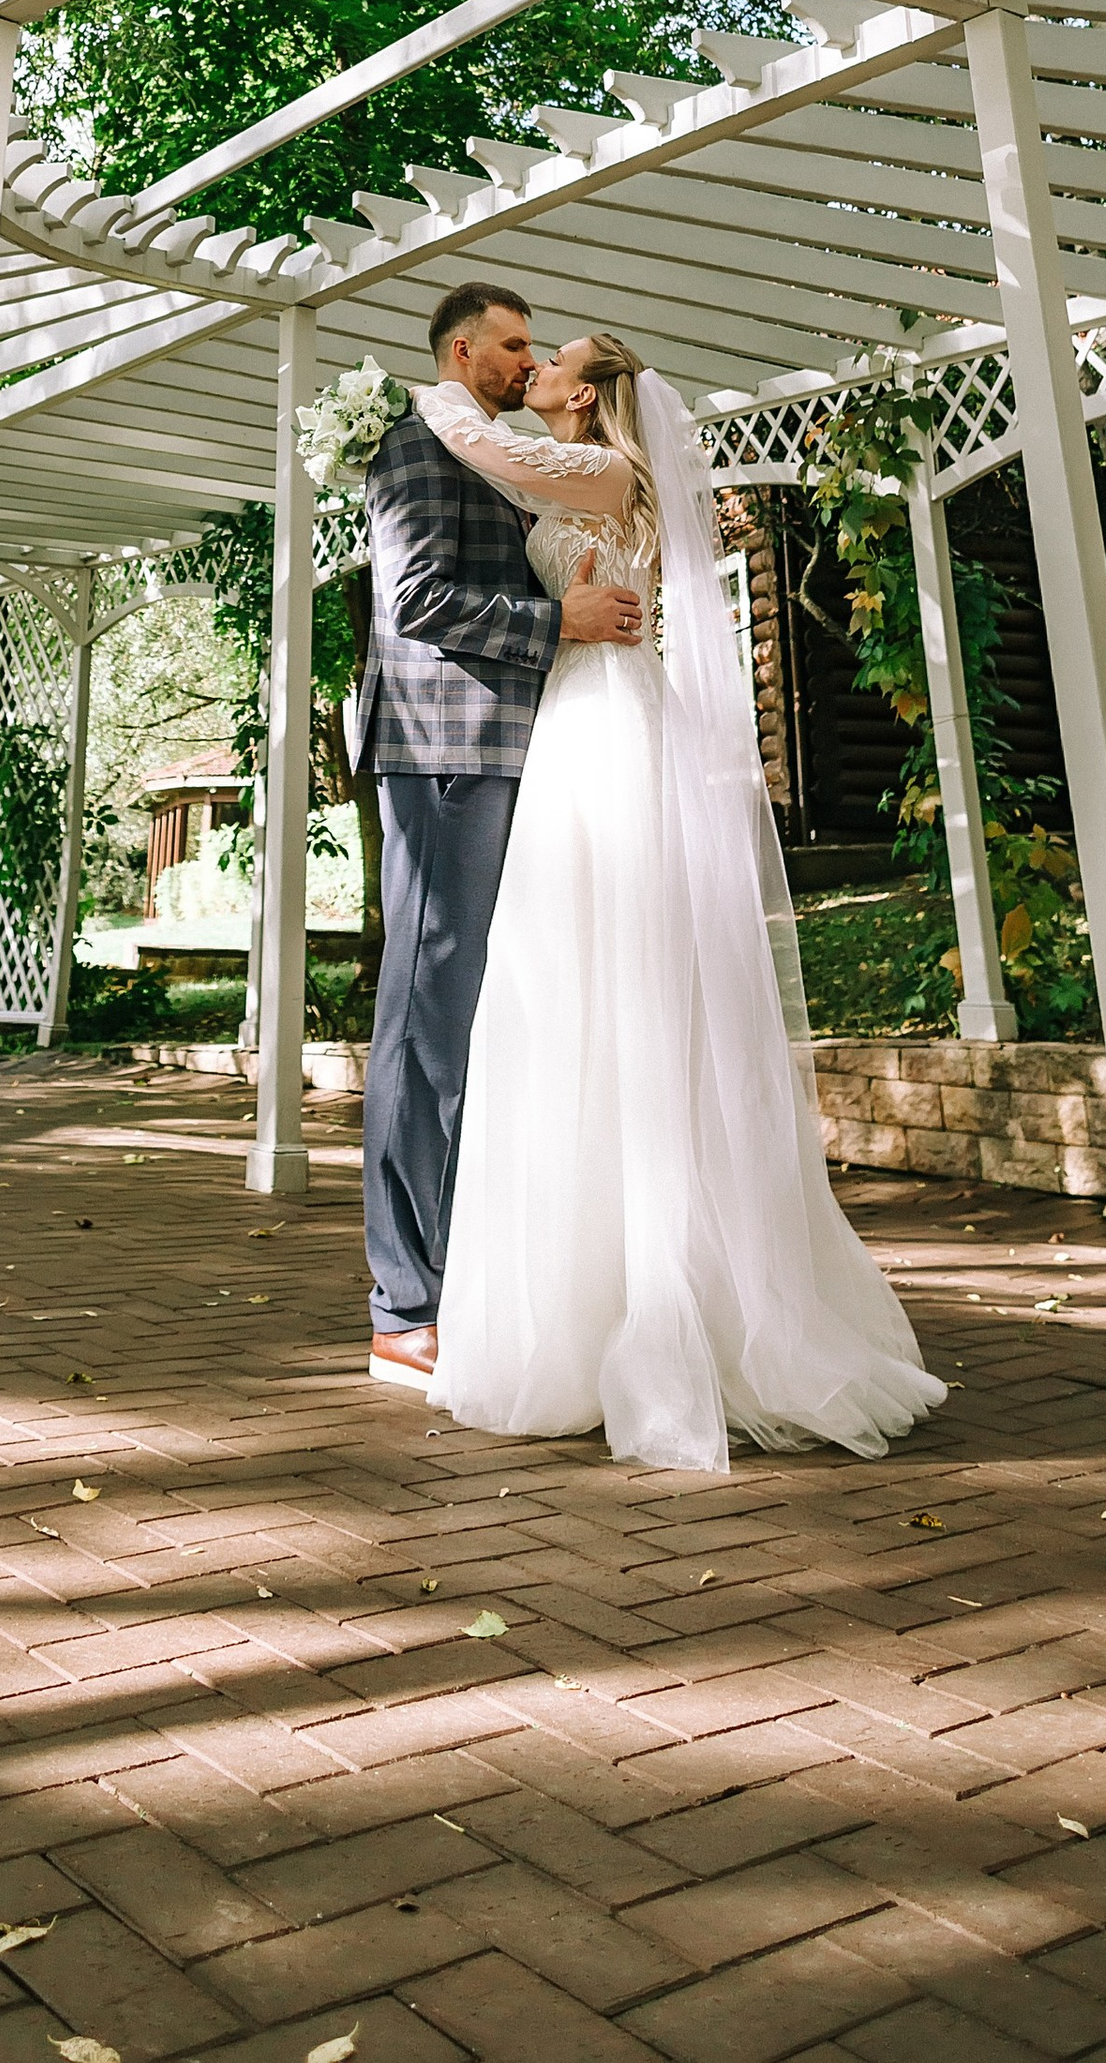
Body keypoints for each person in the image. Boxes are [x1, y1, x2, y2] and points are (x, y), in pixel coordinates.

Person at [416, 333, 947, 1473]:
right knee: (567, 987)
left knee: (626, 980)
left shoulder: (608, 475)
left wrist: (429, 388)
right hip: (576, 715)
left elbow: (473, 442)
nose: (535, 375)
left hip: (611, 726)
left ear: (592, 392)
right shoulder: (584, 474)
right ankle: (584, 1300)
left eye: (550, 364)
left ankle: (664, 1314)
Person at [352, 284, 646, 1391]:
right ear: (462, 350)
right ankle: (402, 1305)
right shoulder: (412, 449)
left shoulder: (508, 457)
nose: (527, 364)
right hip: (442, 754)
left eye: (538, 348)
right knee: (426, 1020)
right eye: (513, 345)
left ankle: (473, 1270)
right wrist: (553, 622)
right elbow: (415, 598)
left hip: (530, 754)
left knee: (496, 1021)